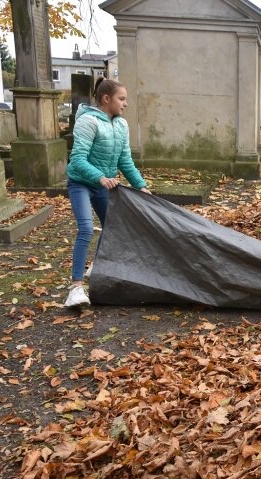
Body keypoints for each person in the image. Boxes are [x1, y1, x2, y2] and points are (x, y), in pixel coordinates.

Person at [64, 77, 150, 308]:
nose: (126, 104)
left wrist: (140, 185)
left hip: (104, 185)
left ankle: (97, 265)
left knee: (111, 228)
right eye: (122, 99)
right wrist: (100, 177)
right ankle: (75, 288)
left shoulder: (121, 125)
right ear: (106, 99)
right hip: (82, 183)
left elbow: (125, 160)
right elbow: (77, 160)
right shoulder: (88, 122)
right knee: (86, 228)